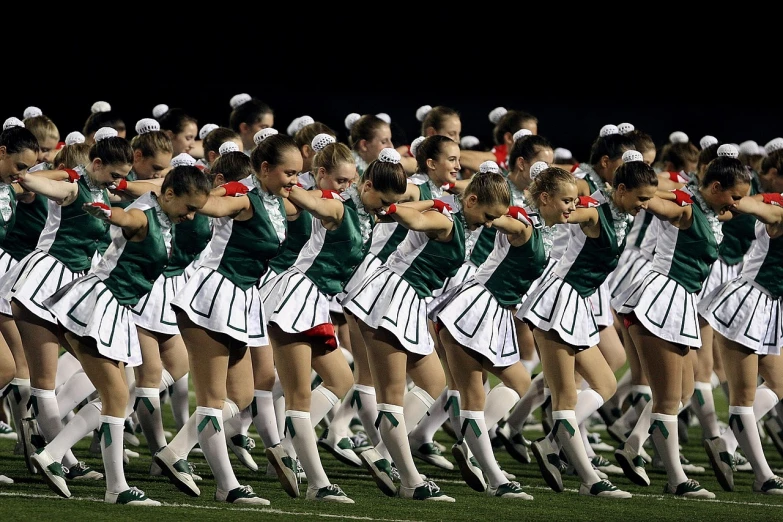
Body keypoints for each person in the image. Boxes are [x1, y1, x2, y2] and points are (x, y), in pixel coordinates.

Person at [32, 164, 211, 505]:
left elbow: (157, 188)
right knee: (116, 398)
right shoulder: (144, 215)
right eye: (189, 209)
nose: (191, 217)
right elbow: (127, 219)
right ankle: (114, 487)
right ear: (169, 196)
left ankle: (53, 454)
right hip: (98, 307)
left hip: (114, 310)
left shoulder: (165, 213)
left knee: (117, 396)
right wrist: (107, 212)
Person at [343, 164, 514, 502]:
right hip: (391, 298)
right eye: (489, 215)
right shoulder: (447, 219)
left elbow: (425, 209)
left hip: (407, 302)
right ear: (473, 201)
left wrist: (428, 203)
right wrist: (389, 207)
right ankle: (410, 480)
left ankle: (382, 454)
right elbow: (417, 220)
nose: (492, 224)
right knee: (392, 393)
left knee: (434, 382)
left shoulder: (450, 213)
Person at [164, 132, 304, 505]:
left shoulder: (277, 202)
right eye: (289, 173)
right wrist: (187, 195)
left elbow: (309, 202)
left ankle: (175, 453)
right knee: (211, 400)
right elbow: (212, 205)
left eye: (298, 174)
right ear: (264, 169)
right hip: (212, 295)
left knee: (240, 397)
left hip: (242, 299)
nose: (294, 180)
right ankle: (227, 485)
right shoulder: (243, 199)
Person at [430, 163, 581, 500]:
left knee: (519, 382)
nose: (573, 206)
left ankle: (468, 447)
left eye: (574, 200)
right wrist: (468, 199)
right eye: (567, 200)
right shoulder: (523, 225)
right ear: (545, 198)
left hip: (495, 313)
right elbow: (497, 216)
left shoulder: (542, 227)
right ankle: (494, 476)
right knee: (473, 396)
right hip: (474, 310)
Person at [519, 151, 661, 499]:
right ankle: (589, 479)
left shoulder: (620, 211)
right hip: (558, 302)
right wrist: (549, 208)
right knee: (566, 396)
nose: (645, 205)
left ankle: (551, 444)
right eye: (641, 198)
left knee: (606, 383)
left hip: (577, 304)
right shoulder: (594, 212)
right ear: (622, 189)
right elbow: (569, 213)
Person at [612, 144, 751, 498]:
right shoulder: (685, 206)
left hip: (680, 304)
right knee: (668, 398)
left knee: (686, 388)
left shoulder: (709, 209)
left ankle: (632, 447)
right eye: (734, 197)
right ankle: (676, 479)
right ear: (716, 187)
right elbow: (662, 204)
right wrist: (642, 195)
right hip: (660, 301)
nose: (736, 205)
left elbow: (710, 213)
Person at [261, 137, 395, 504]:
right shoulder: (334, 206)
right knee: (299, 396)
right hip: (296, 297)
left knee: (341, 378)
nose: (346, 186)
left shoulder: (362, 212)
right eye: (340, 180)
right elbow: (306, 200)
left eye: (351, 181)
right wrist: (288, 183)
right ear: (321, 175)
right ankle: (318, 484)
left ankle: (287, 448)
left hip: (317, 302)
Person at [0, 127, 129, 477]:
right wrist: (27, 176)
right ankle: (62, 460)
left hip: (72, 289)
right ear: (97, 163)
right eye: (115, 175)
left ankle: (55, 449)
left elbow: (145, 191)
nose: (119, 182)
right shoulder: (72, 186)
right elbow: (44, 183)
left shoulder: (103, 190)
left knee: (108, 370)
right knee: (39, 377)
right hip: (42, 283)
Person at [697, 165, 783, 495]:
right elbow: (753, 205)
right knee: (741, 397)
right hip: (746, 305)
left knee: (777, 383)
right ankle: (762, 475)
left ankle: (726, 443)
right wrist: (737, 201)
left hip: (768, 307)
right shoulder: (776, 212)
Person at [0, 125, 40, 484]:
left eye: (29, 168)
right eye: (19, 165)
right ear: (2, 152)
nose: (23, 174)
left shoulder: (9, 187)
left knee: (6, 368)